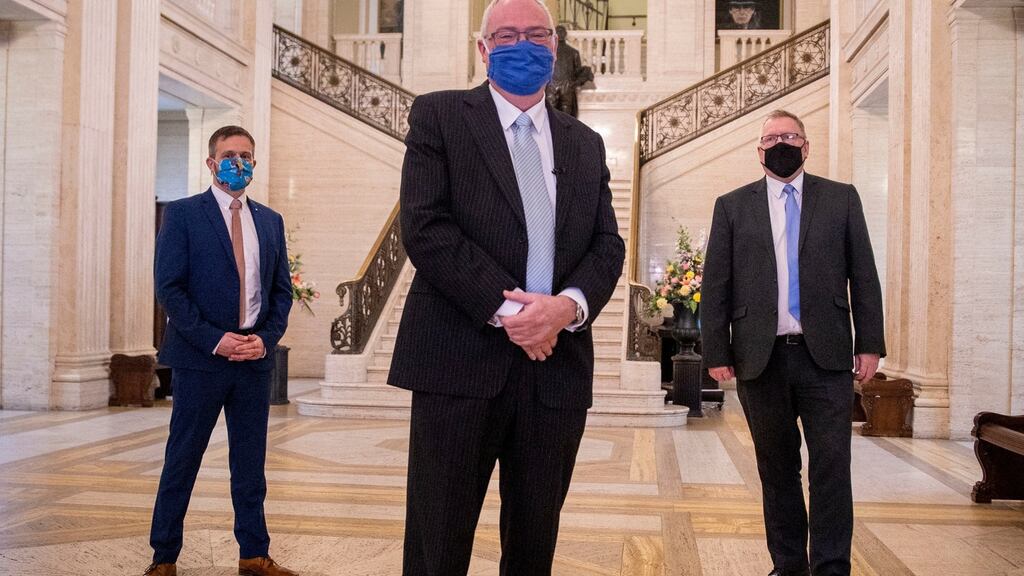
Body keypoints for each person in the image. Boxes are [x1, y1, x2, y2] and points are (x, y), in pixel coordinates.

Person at [387, 0, 625, 573]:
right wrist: (513, 313)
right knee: (437, 535)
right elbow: (425, 225)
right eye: (508, 34)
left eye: (537, 34)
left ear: (555, 45)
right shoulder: (440, 116)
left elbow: (606, 244)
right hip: (457, 359)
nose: (524, 44)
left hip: (555, 368)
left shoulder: (584, 143)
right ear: (483, 48)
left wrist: (565, 308)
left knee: (535, 537)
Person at [700, 110, 885, 576]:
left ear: (806, 145)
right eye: (771, 138)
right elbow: (716, 283)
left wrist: (871, 343)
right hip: (760, 358)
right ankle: (787, 566)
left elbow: (863, 274)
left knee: (831, 467)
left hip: (825, 356)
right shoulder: (732, 205)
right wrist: (716, 352)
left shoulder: (841, 199)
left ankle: (830, 567)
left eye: (790, 136)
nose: (780, 143)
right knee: (776, 470)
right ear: (759, 150)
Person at [144, 126, 297, 576]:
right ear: (211, 163)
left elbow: (281, 292)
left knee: (250, 464)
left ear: (255, 162)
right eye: (229, 155)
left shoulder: (270, 220)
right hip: (201, 359)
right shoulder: (184, 214)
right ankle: (164, 556)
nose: (239, 162)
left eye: (246, 155)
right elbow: (169, 289)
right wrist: (215, 338)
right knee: (182, 459)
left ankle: (253, 553)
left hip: (253, 360)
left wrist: (263, 339)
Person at [545, 25, 593, 118]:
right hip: (562, 88)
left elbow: (577, 72)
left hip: (555, 88)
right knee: (564, 118)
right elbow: (578, 71)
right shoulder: (549, 52)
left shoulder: (548, 52)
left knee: (552, 118)